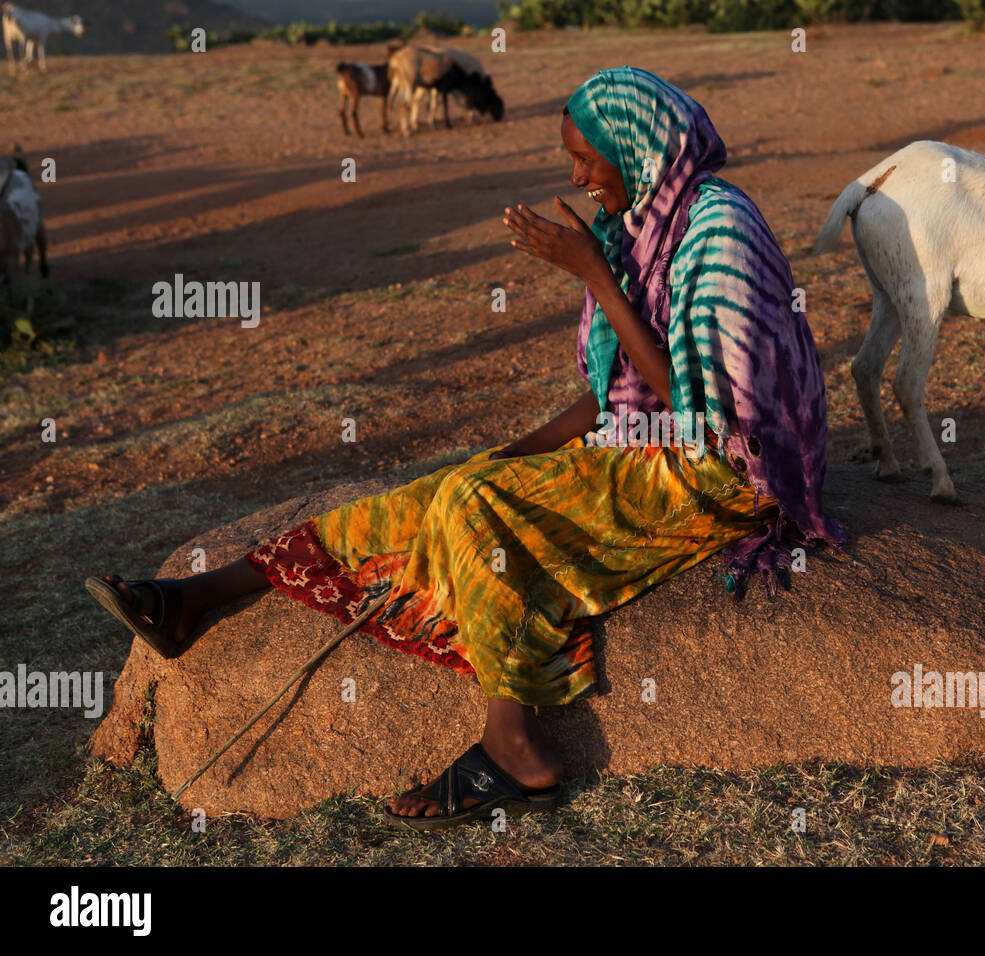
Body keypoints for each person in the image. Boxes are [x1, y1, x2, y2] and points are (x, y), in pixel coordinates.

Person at [86, 66, 845, 831]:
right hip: (651, 447)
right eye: (571, 158)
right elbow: (616, 393)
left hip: (725, 468)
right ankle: (196, 598)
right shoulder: (643, 224)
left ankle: (516, 748)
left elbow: (700, 403)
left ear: (640, 150)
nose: (575, 176)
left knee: (477, 509)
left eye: (587, 160)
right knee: (456, 486)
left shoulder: (721, 229)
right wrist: (510, 452)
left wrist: (593, 273)